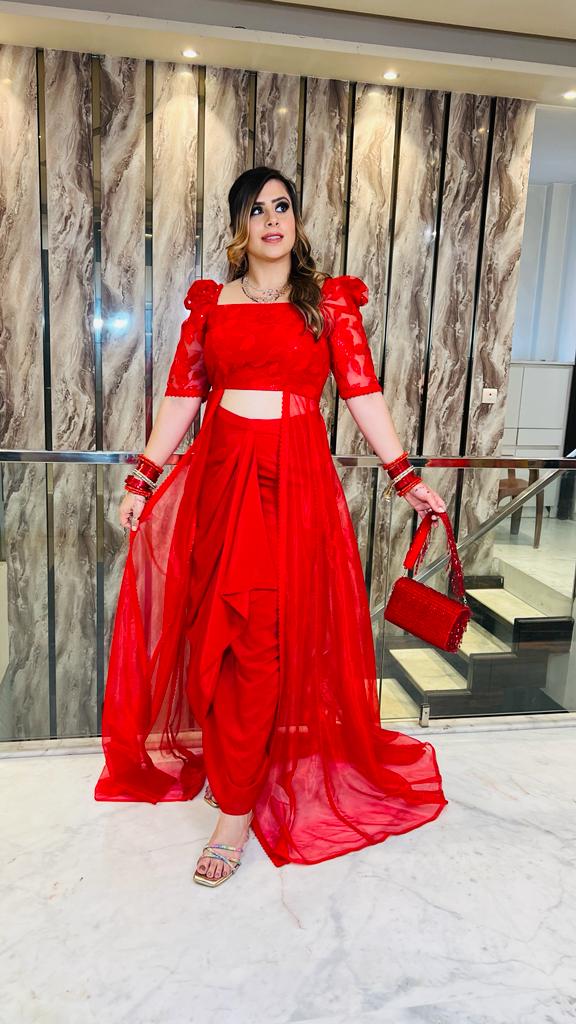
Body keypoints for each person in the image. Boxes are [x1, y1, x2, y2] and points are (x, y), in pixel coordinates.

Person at [94, 166, 449, 888]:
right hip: (221, 482)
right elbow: (182, 398)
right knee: (218, 640)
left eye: (282, 206)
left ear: (297, 219)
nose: (273, 219)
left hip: (293, 486)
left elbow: (362, 392)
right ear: (240, 227)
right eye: (257, 210)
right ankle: (236, 767)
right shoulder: (211, 304)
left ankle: (234, 810)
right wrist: (142, 477)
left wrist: (405, 476)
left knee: (262, 642)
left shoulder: (327, 304)